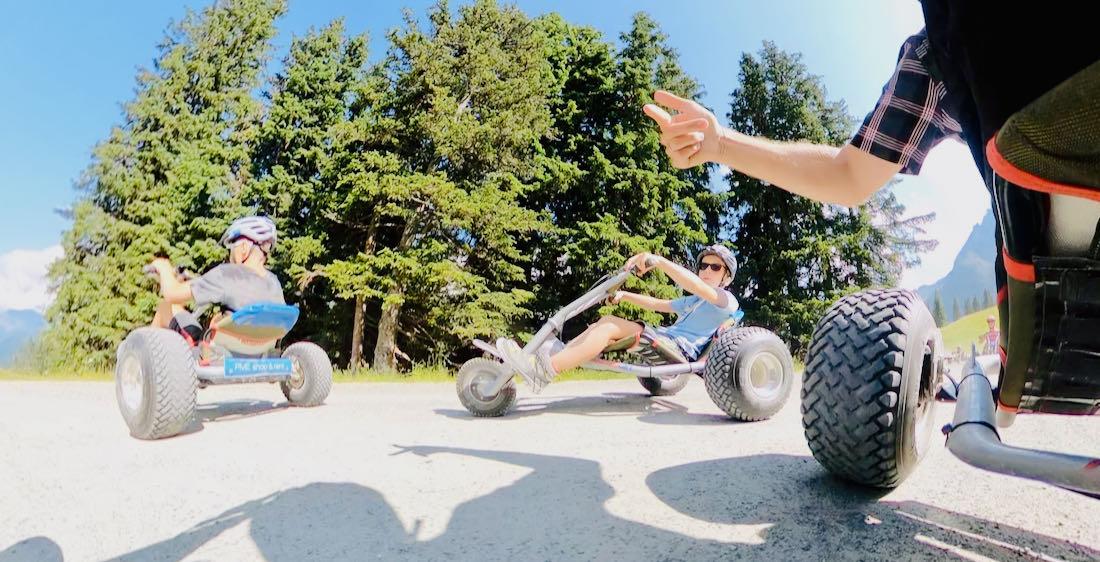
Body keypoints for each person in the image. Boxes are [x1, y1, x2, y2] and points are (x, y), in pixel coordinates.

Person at [495, 245, 740, 390]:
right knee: (604, 322)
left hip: (678, 349)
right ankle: (559, 354)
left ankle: (544, 371)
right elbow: (658, 304)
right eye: (704, 266)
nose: (707, 270)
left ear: (726, 276)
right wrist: (624, 295)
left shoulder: (726, 300)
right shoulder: (694, 301)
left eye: (715, 267)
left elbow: (698, 286)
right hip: (666, 337)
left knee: (610, 325)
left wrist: (659, 261)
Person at [147, 215, 285, 342]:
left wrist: (163, 268)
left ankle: (141, 362)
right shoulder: (274, 284)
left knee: (166, 307)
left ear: (243, 247)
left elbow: (171, 294)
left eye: (232, 246)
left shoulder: (227, 274)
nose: (230, 253)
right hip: (259, 358)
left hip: (213, 358)